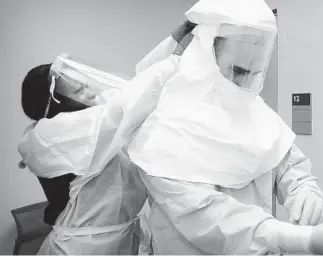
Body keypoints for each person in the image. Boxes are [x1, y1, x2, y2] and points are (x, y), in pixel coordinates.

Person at [121, 0, 323, 254]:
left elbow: (289, 165)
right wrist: (307, 240)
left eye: (253, 73)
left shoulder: (255, 112)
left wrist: (305, 191)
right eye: (237, 70)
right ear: (204, 57)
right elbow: (213, 220)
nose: (242, 84)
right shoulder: (164, 129)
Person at [17, 21, 195, 255]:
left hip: (120, 239)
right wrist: (176, 63)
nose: (90, 92)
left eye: (84, 85)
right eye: (79, 90)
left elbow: (132, 90)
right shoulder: (46, 137)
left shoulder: (95, 115)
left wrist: (175, 39)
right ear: (54, 105)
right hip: (79, 248)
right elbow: (125, 107)